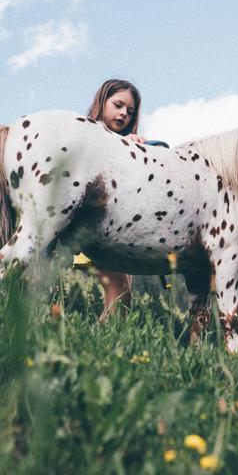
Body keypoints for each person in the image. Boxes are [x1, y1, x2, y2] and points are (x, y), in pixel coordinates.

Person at [81, 79, 145, 318]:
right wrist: (123, 146)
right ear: (102, 102)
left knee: (122, 293)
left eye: (129, 112)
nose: (123, 114)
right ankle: (105, 346)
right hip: (94, 226)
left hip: (118, 227)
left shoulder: (126, 140)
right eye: (118, 105)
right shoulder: (89, 133)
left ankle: (106, 342)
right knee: (120, 293)